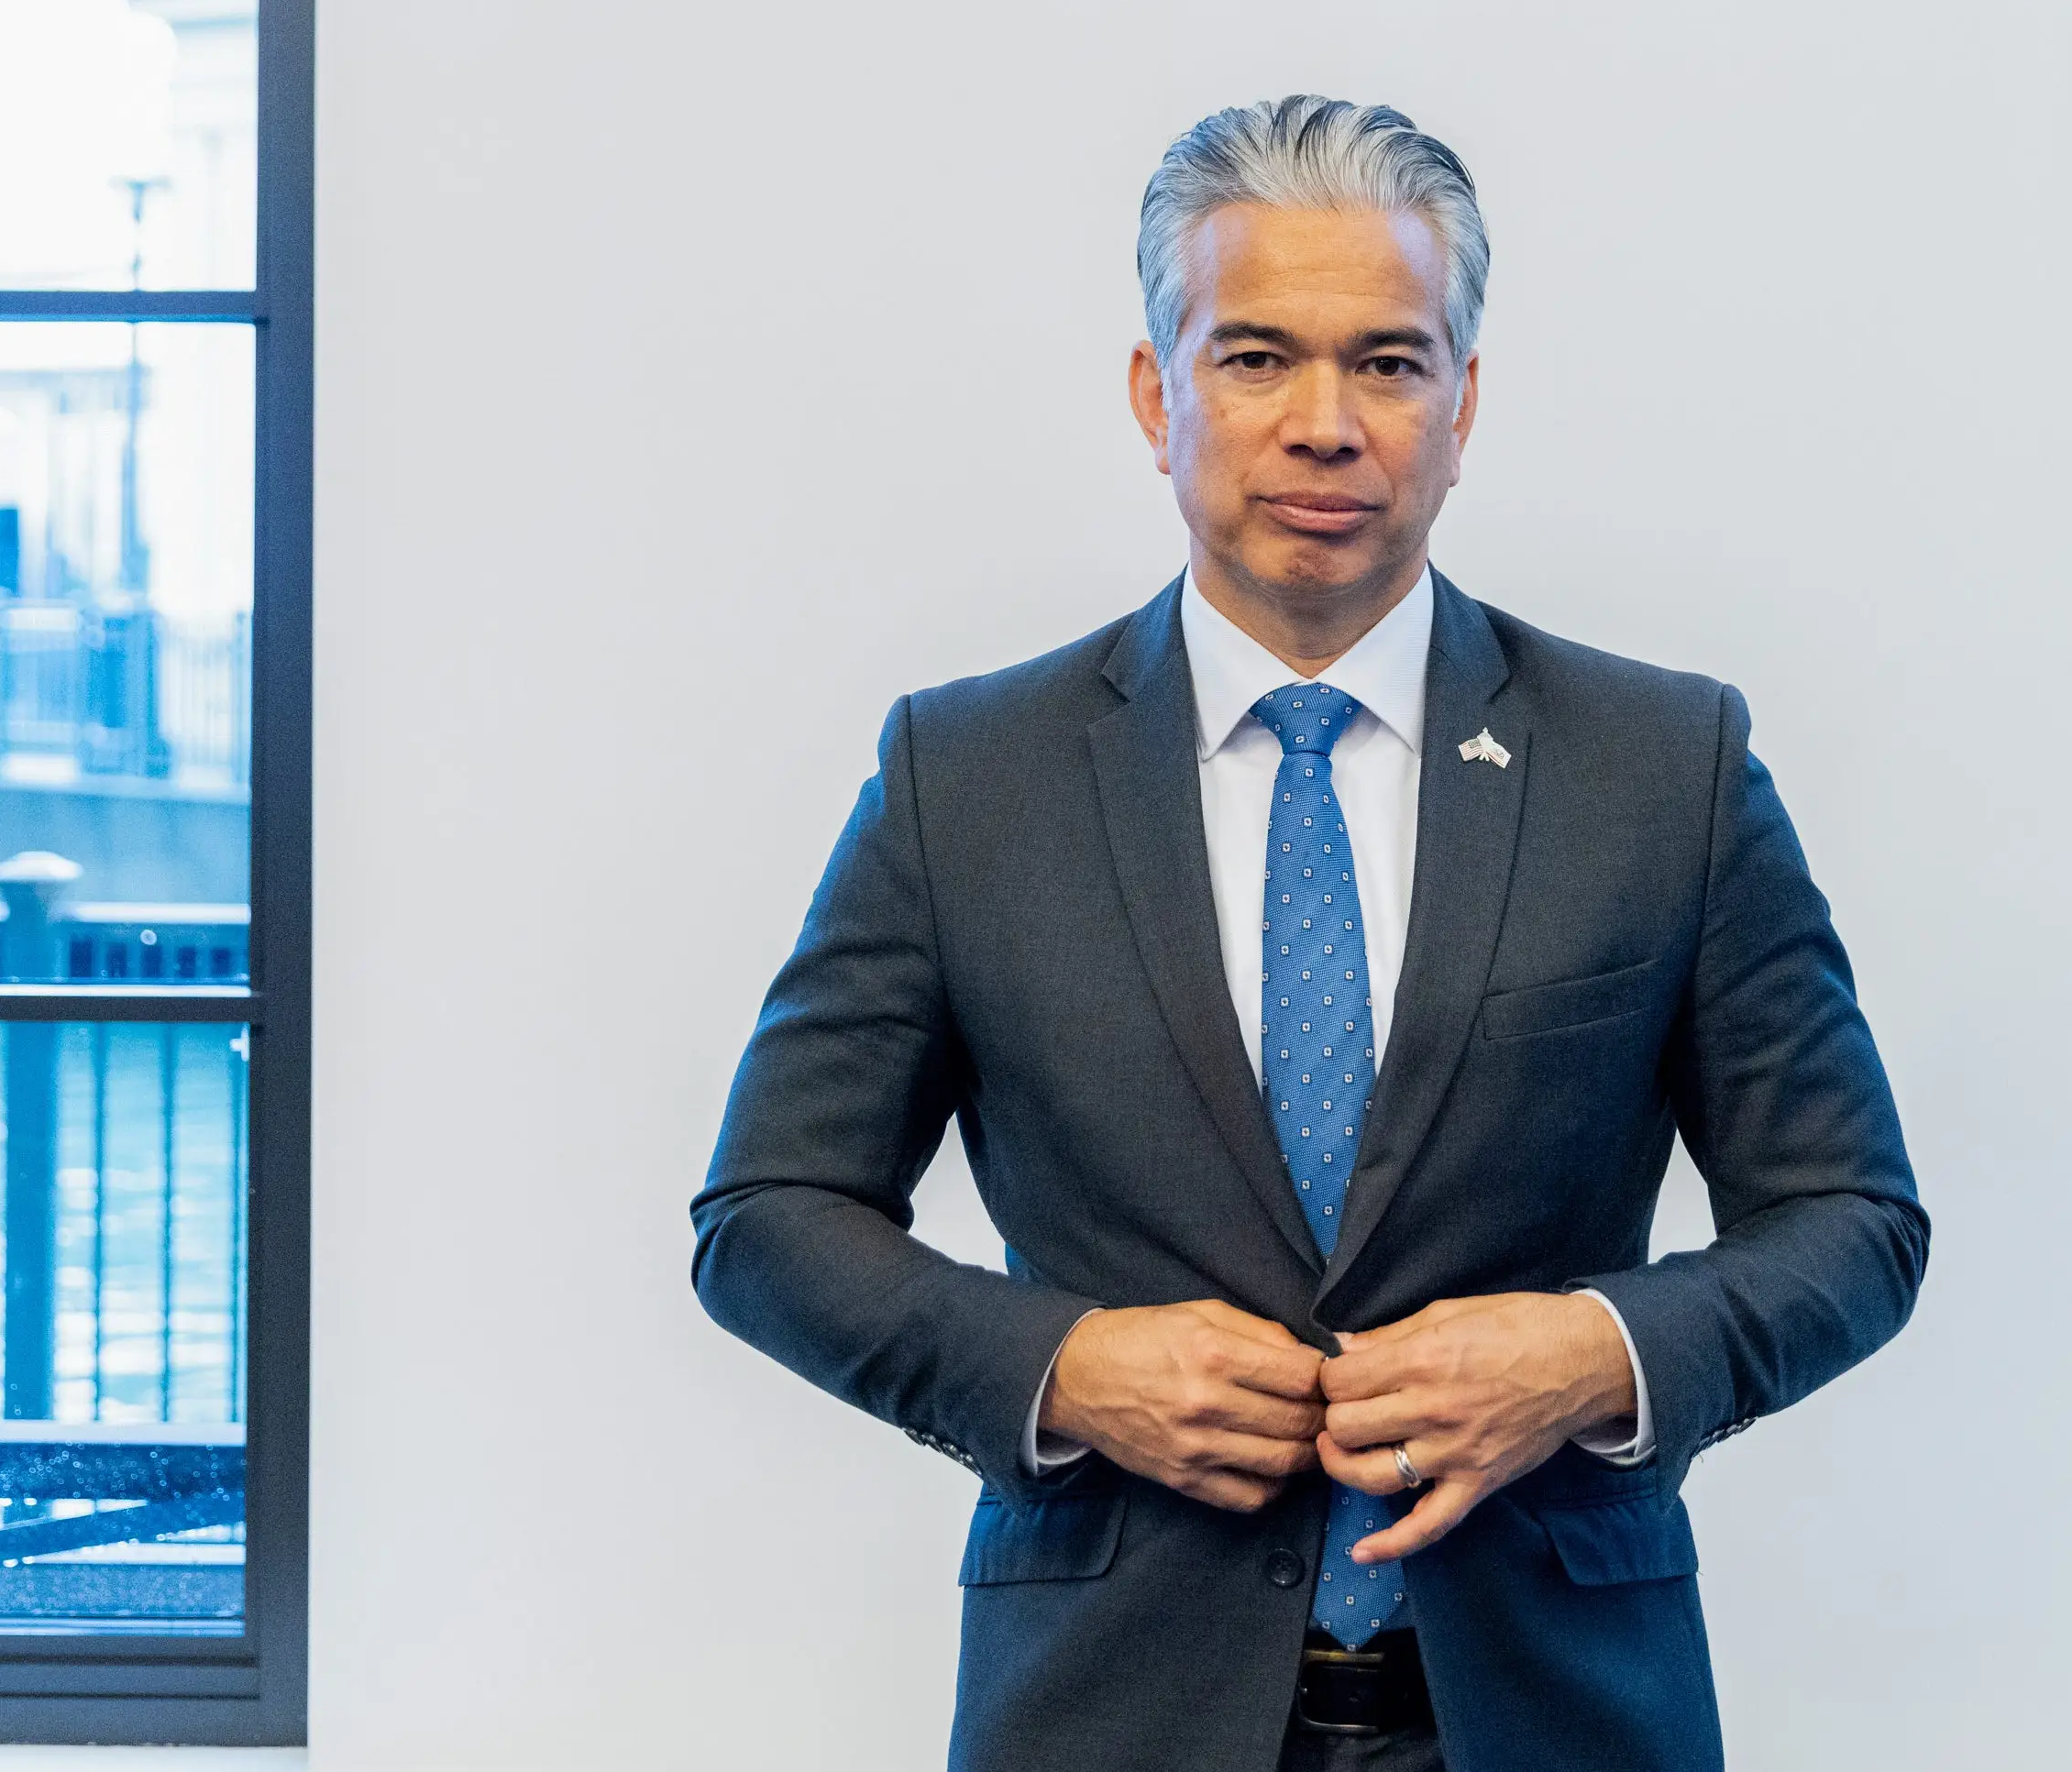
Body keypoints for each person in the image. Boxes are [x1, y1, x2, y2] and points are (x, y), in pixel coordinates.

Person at [692, 97, 1926, 1772]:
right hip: (1109, 1714)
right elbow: (766, 1216)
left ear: (1465, 401)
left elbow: (1853, 1220)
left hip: (1560, 1715)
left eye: (1392, 364)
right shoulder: (966, 778)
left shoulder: (1666, 767)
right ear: (1159, 392)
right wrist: (1065, 1368)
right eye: (1257, 358)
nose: (1327, 425)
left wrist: (1596, 1352)